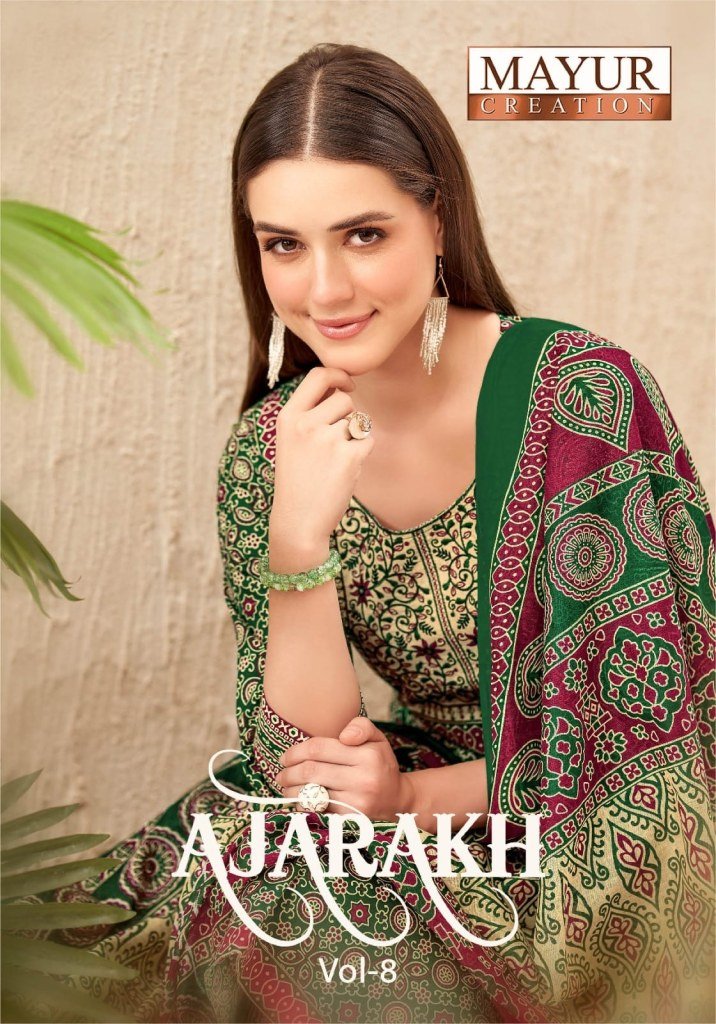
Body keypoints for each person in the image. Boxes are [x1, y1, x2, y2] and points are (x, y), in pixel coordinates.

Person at [42, 42, 714, 1024]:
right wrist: (298, 537)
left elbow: (645, 742)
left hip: (604, 830)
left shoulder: (579, 396)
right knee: (232, 882)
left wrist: (410, 802)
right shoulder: (271, 448)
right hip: (398, 802)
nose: (323, 290)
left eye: (363, 234)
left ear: (438, 219)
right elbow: (300, 765)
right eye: (283, 244)